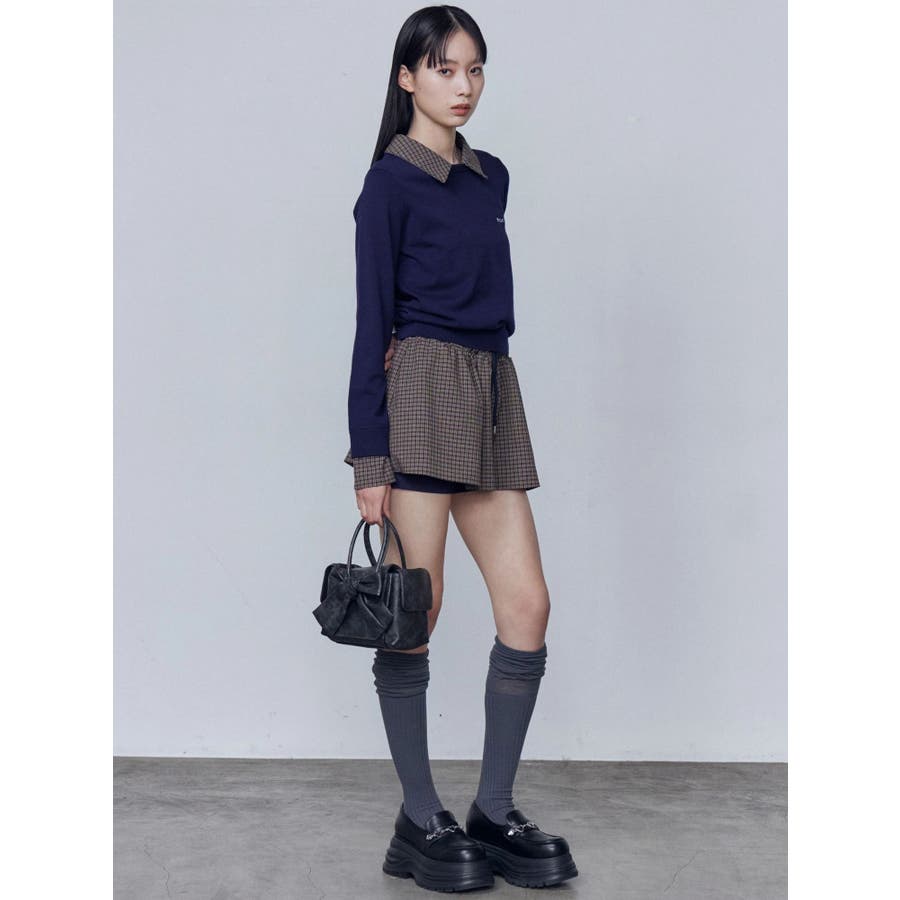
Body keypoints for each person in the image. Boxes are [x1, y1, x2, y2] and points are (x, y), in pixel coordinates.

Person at [342, 6, 578, 892]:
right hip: (420, 395)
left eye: (474, 69)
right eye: (444, 69)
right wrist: (370, 459)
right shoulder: (388, 186)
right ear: (407, 78)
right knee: (418, 611)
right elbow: (372, 325)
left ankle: (493, 808)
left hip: (490, 390)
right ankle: (418, 818)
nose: (464, 86)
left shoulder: (491, 177)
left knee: (529, 607)